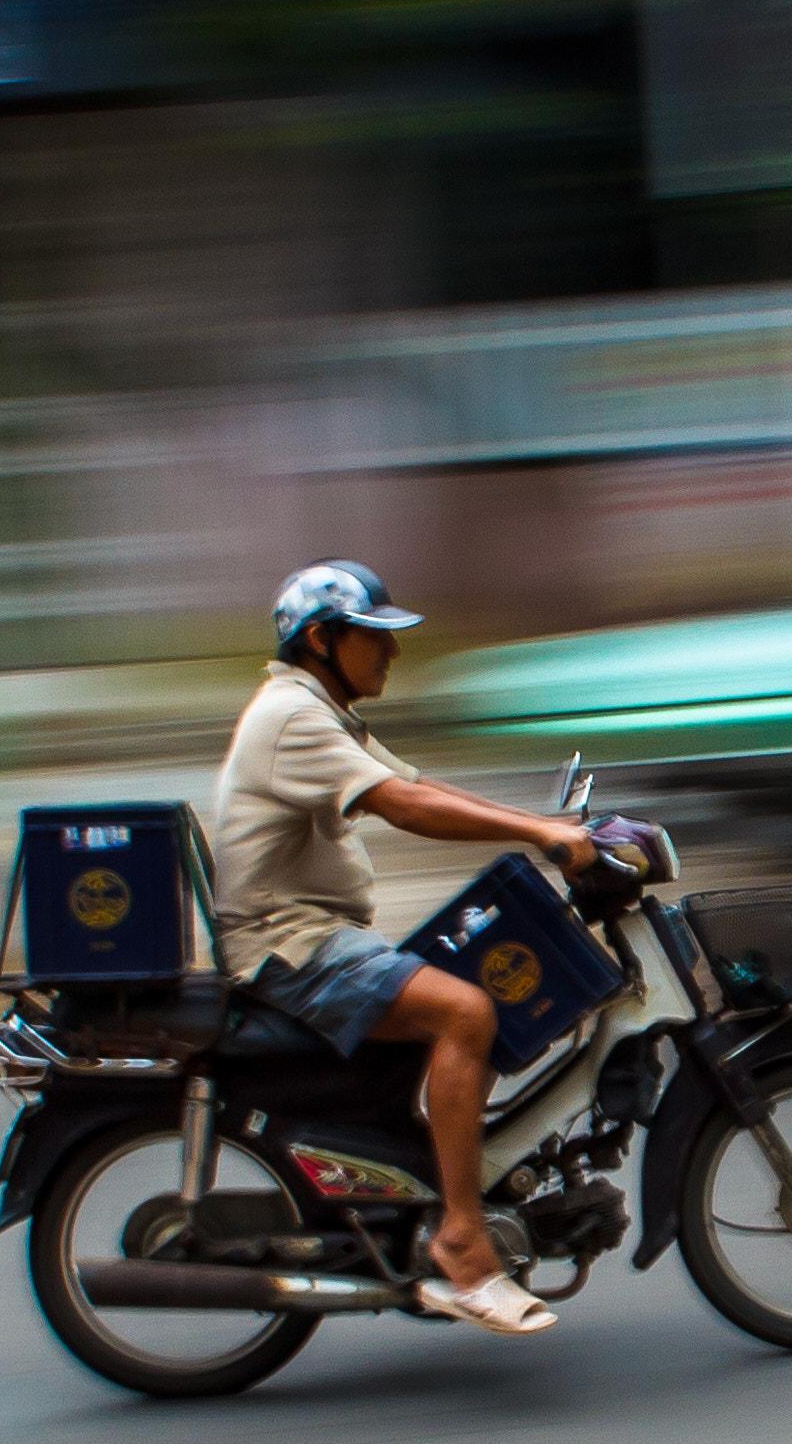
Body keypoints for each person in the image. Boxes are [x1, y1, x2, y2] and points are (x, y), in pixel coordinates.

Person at [212, 560, 595, 1337]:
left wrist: (545, 826)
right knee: (465, 1013)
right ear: (321, 640)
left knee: (464, 978)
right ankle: (462, 1243)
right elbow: (407, 807)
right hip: (291, 947)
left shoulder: (321, 710)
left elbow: (422, 785)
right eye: (374, 638)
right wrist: (538, 834)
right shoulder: (291, 715)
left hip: (317, 934)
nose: (391, 654)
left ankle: (431, 1176)